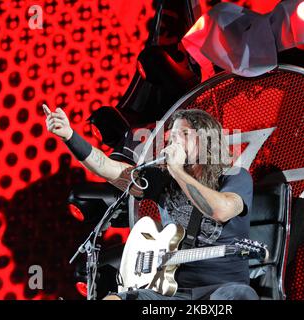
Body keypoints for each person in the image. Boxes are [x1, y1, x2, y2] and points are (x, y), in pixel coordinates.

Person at [43, 105, 259, 300]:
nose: (175, 142)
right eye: (172, 137)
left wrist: (177, 170)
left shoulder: (234, 176)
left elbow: (220, 210)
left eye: (184, 134)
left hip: (223, 289)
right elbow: (108, 168)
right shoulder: (162, 179)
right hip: (170, 292)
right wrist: (69, 136)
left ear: (206, 141)